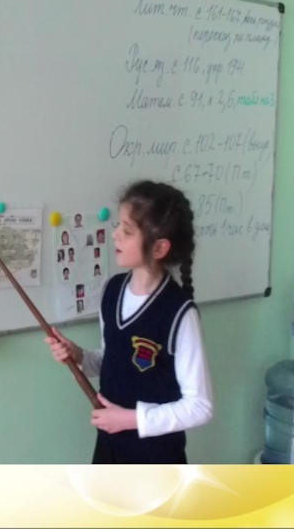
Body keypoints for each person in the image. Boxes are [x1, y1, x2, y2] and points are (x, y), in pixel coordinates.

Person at [45, 180, 213, 464]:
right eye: (118, 226)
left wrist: (131, 419)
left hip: (155, 460)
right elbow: (115, 359)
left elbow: (200, 407)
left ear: (159, 248)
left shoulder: (180, 313)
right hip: (109, 448)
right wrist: (80, 356)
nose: (115, 235)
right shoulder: (112, 291)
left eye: (127, 230)